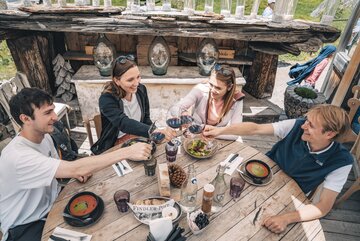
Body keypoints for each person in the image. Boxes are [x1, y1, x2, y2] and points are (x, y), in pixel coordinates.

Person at [0, 88, 152, 241]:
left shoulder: (44, 137)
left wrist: (74, 173)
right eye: (47, 113)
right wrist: (127, 152)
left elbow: (61, 168)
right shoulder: (18, 157)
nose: (55, 117)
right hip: (25, 227)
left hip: (53, 208)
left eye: (53, 110)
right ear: (25, 119)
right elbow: (73, 167)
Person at [203, 104, 353, 233]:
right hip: (258, 174)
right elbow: (255, 129)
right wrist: (219, 131)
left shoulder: (342, 161)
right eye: (307, 120)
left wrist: (286, 218)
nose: (303, 126)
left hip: (288, 198)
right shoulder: (296, 126)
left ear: (330, 134)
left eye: (311, 125)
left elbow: (323, 207)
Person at [91, 55, 175, 154]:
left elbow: (146, 119)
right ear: (117, 81)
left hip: (139, 137)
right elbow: (124, 123)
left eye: (138, 77)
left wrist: (156, 133)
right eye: (130, 80)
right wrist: (152, 131)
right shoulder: (106, 99)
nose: (137, 83)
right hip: (116, 143)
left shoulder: (141, 90)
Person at [174, 64, 244, 140]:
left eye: (218, 88)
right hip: (194, 137)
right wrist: (182, 113)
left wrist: (208, 131)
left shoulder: (237, 99)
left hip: (216, 140)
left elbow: (236, 133)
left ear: (229, 87)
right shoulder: (200, 89)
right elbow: (176, 108)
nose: (212, 90)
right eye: (211, 84)